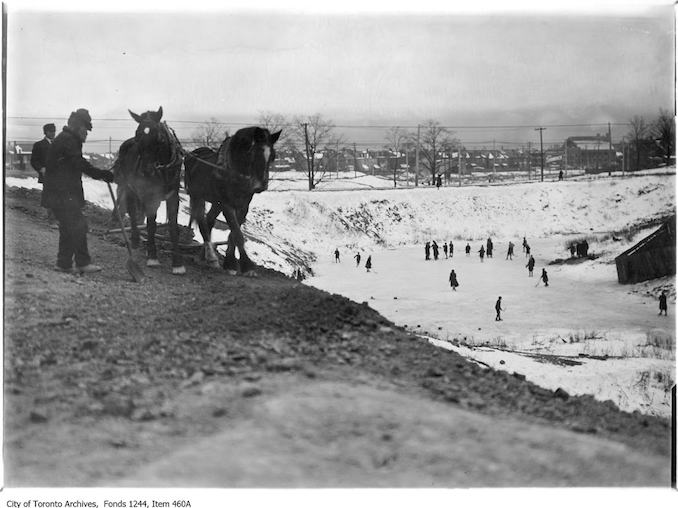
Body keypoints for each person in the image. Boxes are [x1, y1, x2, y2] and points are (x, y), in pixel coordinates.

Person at [41, 108, 115, 274]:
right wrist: (102, 174)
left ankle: (64, 263)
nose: (87, 134)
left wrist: (100, 174)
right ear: (77, 126)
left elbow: (74, 164)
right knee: (78, 225)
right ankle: (82, 262)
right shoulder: (69, 140)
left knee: (68, 227)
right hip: (62, 193)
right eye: (85, 129)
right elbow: (79, 163)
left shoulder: (65, 138)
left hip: (59, 192)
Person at [31, 123, 58, 226]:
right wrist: (41, 168)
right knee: (50, 197)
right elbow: (34, 161)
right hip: (47, 175)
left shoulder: (58, 144)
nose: (53, 133)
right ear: (45, 132)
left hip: (59, 175)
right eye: (50, 131)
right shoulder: (39, 145)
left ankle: (58, 219)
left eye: (54, 131)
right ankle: (52, 220)